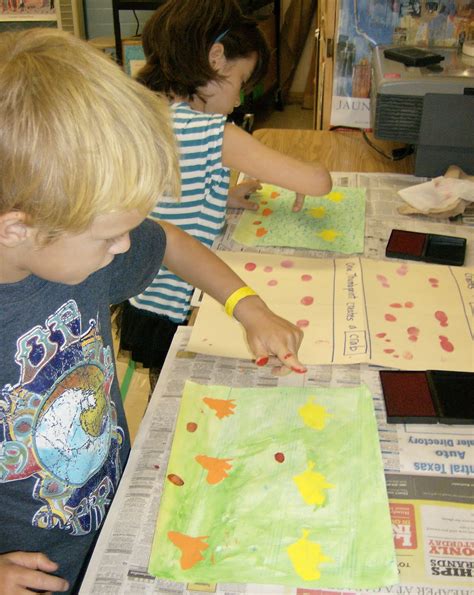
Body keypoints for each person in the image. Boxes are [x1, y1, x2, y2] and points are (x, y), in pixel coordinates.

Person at [0, 28, 306, 595]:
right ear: (18, 226)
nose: (125, 247)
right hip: (31, 571)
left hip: (109, 519)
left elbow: (167, 240)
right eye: (110, 235)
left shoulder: (69, 251)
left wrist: (249, 307)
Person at [119, 0, 333, 388]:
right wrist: (300, 175)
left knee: (163, 387)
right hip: (182, 304)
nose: (237, 101)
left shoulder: (146, 112)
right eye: (240, 83)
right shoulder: (212, 133)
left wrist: (221, 194)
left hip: (144, 301)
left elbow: (162, 191)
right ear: (216, 58)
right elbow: (319, 182)